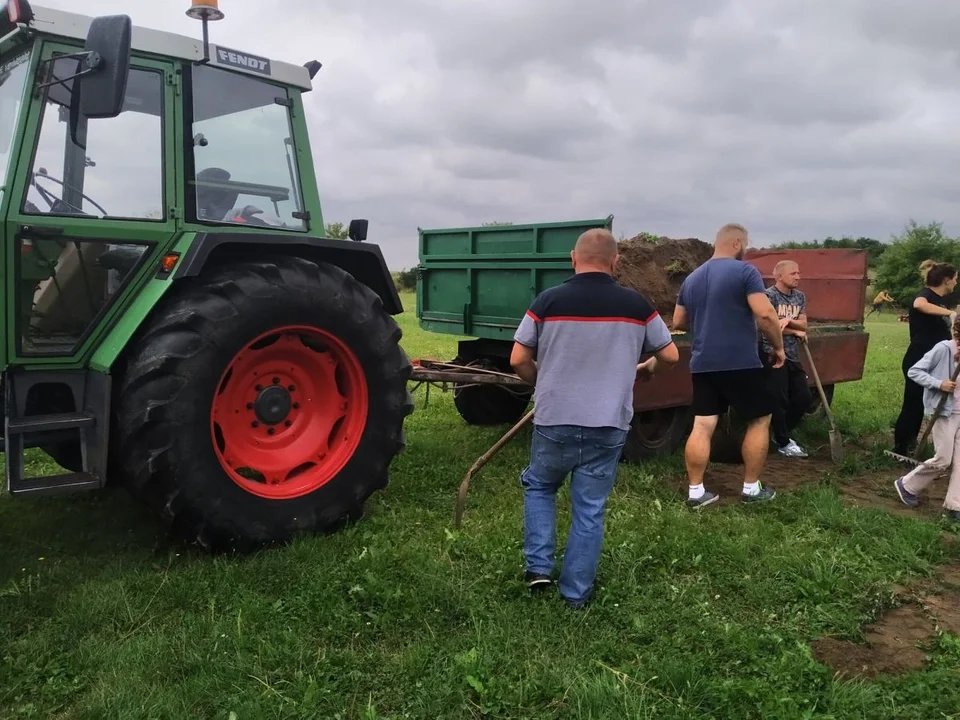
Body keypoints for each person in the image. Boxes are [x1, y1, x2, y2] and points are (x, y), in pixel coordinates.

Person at [510, 228, 680, 607]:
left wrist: (544, 383)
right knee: (589, 507)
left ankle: (539, 568)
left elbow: (518, 359)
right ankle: (576, 593)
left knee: (540, 486)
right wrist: (648, 366)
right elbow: (671, 356)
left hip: (555, 420)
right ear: (616, 262)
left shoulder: (547, 302)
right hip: (608, 424)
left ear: (574, 257)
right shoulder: (638, 306)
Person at [672, 223, 785, 508]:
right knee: (759, 419)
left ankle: (696, 493)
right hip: (740, 361)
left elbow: (678, 322)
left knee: (703, 424)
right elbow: (766, 315)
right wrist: (779, 346)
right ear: (737, 243)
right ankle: (751, 488)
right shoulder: (745, 271)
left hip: (703, 362)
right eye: (745, 244)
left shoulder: (692, 278)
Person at [893, 314, 960, 523]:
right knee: (943, 459)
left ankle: (955, 504)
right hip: (945, 411)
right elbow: (915, 371)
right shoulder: (944, 349)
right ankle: (907, 485)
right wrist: (939, 383)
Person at [892, 263, 958, 456]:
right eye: (955, 278)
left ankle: (918, 447)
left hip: (934, 361)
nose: (956, 282)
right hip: (918, 359)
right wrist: (950, 313)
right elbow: (918, 304)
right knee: (913, 404)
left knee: (925, 405)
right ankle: (901, 448)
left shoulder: (940, 301)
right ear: (946, 280)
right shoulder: (926, 295)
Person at [759, 260, 813, 458]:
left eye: (799, 273)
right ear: (779, 276)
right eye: (793, 273)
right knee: (779, 399)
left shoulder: (800, 297)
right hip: (772, 353)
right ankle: (783, 442)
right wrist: (794, 331)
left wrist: (789, 321)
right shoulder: (768, 296)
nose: (798, 277)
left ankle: (780, 432)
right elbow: (767, 326)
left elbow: (804, 325)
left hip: (792, 355)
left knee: (804, 398)